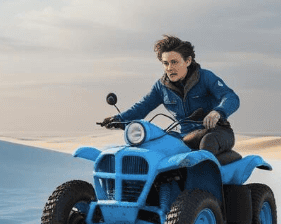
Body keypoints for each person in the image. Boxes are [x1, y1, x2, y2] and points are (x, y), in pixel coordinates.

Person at [100, 35, 239, 156]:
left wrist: (218, 112)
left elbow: (231, 97)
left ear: (188, 61)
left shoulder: (205, 77)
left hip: (216, 132)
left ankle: (206, 179)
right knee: (153, 143)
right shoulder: (161, 87)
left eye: (174, 62)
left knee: (207, 142)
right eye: (165, 63)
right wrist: (118, 119)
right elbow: (143, 106)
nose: (169, 68)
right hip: (185, 136)